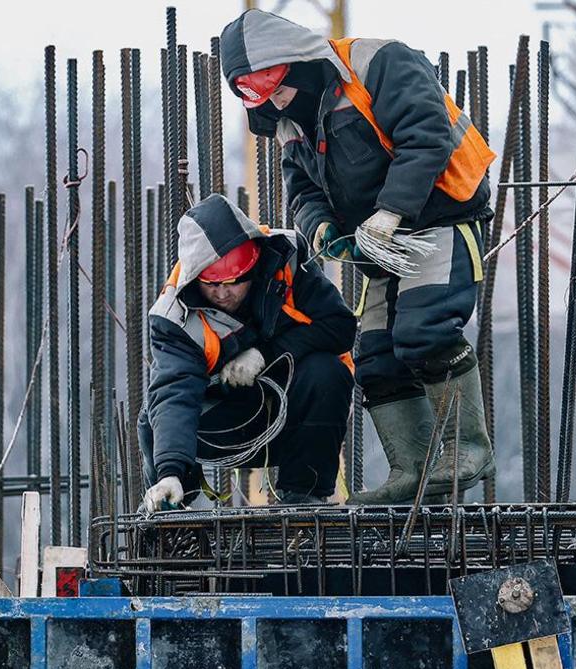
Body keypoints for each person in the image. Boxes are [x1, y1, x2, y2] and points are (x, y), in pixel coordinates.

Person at [219, 9, 497, 503]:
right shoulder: (287, 121)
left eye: (275, 85)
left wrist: (391, 211)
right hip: (381, 243)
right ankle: (411, 470)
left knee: (424, 330)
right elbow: (301, 188)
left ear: (294, 63)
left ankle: (466, 449)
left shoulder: (378, 64)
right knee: (375, 357)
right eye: (258, 93)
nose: (274, 100)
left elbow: (426, 134)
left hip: (441, 216)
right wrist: (323, 227)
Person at [139, 194, 356, 512]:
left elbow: (340, 327)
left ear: (253, 265)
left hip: (299, 416)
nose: (224, 293)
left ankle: (304, 496)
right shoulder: (174, 317)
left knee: (328, 371)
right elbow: (175, 394)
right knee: (153, 416)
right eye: (212, 285)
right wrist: (169, 470)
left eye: (234, 281)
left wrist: (267, 354)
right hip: (226, 423)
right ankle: (173, 497)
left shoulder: (288, 263)